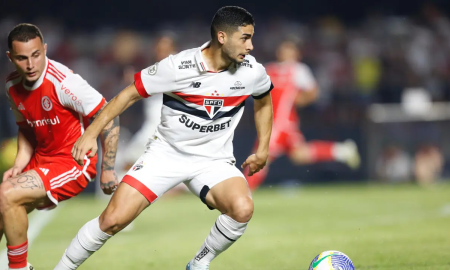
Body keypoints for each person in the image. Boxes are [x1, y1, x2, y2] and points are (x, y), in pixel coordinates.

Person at [54, 6, 273, 270]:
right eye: (245, 38)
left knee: (242, 208)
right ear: (222, 37)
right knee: (113, 220)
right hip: (166, 156)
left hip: (214, 161)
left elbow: (264, 101)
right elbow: (127, 95)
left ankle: (199, 263)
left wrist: (262, 148)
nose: (250, 46)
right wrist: (90, 134)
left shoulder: (252, 70)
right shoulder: (178, 66)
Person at [3, 23, 120, 270]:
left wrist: (107, 168)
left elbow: (108, 113)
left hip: (72, 162)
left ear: (44, 49)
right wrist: (19, 164)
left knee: (6, 195)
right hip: (41, 159)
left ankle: (18, 268)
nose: (31, 64)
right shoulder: (12, 86)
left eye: (36, 55)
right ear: (10, 58)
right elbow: (26, 129)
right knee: (2, 203)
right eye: (22, 58)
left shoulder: (64, 82)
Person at [245, 40, 361, 190]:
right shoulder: (270, 69)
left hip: (280, 122)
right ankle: (341, 151)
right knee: (299, 155)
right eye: (283, 50)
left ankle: (242, 193)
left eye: (289, 51)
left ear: (296, 54)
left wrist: (299, 100)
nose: (285, 54)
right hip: (280, 121)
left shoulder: (298, 70)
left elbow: (313, 92)